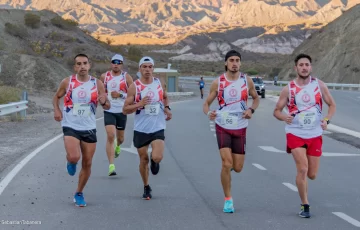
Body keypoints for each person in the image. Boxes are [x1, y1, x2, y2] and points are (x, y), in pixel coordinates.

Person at [273, 53, 336, 218]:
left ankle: (305, 188)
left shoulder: (319, 85)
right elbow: (277, 111)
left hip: (315, 133)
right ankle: (305, 205)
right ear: (296, 68)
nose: (304, 67)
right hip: (295, 133)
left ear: (311, 67)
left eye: (307, 64)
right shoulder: (289, 89)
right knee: (302, 169)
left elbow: (332, 105)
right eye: (301, 65)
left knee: (312, 174)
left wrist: (327, 120)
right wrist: (284, 117)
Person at [203, 50, 260, 213]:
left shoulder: (246, 81)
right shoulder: (218, 82)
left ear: (240, 63)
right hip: (222, 125)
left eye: (237, 60)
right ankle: (228, 199)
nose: (234, 63)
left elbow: (256, 99)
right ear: (226, 63)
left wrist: (251, 110)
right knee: (226, 163)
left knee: (238, 167)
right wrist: (209, 113)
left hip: (241, 126)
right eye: (231, 60)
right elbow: (206, 104)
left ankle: (228, 170)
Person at [53, 53, 110, 207]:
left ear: (89, 65)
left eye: (85, 63)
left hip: (89, 127)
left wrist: (104, 102)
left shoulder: (97, 83)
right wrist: (57, 110)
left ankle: (79, 192)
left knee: (87, 163)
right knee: (74, 157)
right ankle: (70, 161)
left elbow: (106, 105)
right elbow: (56, 97)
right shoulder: (68, 82)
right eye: (78, 64)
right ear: (75, 67)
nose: (82, 66)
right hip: (70, 125)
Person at [122, 56, 172, 200]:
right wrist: (140, 104)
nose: (148, 70)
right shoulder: (135, 87)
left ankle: (154, 160)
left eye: (150, 67)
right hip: (141, 129)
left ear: (153, 69)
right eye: (145, 67)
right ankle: (146, 186)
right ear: (140, 69)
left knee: (157, 156)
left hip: (158, 126)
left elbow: (165, 97)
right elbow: (125, 109)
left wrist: (167, 108)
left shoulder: (159, 83)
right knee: (143, 160)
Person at [100, 54, 134, 176]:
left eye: (118, 62)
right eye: (114, 62)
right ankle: (111, 166)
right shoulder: (105, 76)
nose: (116, 64)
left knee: (120, 138)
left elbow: (133, 95)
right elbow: (101, 92)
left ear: (122, 64)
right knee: (110, 136)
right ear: (111, 63)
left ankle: (118, 146)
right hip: (109, 110)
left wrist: (120, 95)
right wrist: (103, 101)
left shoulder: (127, 77)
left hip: (121, 111)